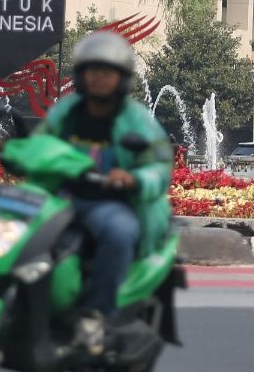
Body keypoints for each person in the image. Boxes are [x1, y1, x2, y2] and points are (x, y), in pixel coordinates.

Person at [36, 31, 173, 351]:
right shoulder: (65, 112)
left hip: (108, 202)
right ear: (81, 75)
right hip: (61, 197)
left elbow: (159, 165)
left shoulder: (136, 119)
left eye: (107, 72)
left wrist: (132, 179)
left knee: (119, 232)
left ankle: (94, 316)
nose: (99, 78)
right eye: (92, 70)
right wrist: (14, 151)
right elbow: (41, 143)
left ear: (121, 78)